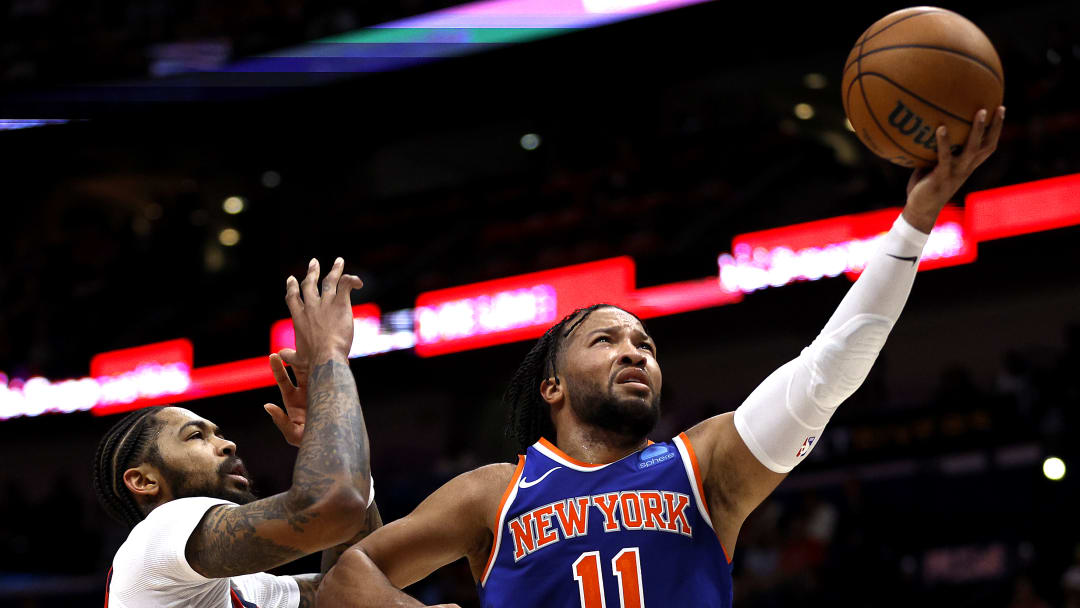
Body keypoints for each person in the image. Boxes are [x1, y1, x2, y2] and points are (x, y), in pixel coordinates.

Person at [317, 107, 1005, 607]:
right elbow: (348, 576)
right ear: (550, 387)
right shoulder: (491, 493)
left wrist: (915, 222)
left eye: (645, 344)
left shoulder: (703, 464)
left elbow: (829, 369)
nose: (635, 352)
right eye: (606, 340)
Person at [94, 258, 383, 607]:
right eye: (196, 436)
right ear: (143, 481)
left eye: (217, 434)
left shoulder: (237, 585)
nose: (228, 444)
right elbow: (333, 509)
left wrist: (329, 433)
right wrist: (329, 358)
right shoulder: (160, 531)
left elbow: (362, 582)